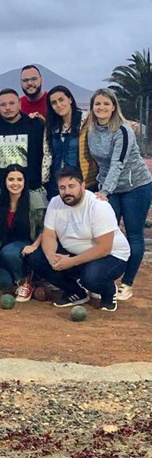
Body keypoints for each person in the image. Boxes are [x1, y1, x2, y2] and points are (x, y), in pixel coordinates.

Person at [26, 166, 129, 312]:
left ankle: (108, 291)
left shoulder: (99, 206)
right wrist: (51, 257)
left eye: (71, 186)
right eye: (62, 188)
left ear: (82, 185)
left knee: (91, 278)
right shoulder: (55, 203)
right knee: (36, 258)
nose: (67, 192)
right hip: (75, 254)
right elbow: (49, 235)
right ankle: (75, 292)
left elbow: (104, 248)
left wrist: (71, 262)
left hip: (111, 255)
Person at [84, 88, 152, 301]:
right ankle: (102, 279)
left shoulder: (123, 130)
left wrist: (104, 191)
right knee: (105, 233)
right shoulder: (91, 129)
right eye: (97, 104)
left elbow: (117, 164)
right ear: (92, 107)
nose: (101, 107)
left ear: (114, 107)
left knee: (133, 234)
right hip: (108, 186)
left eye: (106, 103)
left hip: (135, 187)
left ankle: (127, 283)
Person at [0, 88, 49, 202]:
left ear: (19, 104)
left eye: (11, 103)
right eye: (3, 104)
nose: (7, 108)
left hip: (31, 187)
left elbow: (45, 157)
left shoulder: (36, 127)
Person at [0, 165, 47, 302]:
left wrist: (34, 245)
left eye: (19, 179)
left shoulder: (36, 200)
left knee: (9, 252)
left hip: (28, 245)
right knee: (2, 281)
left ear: (25, 181)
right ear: (5, 181)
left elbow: (44, 228)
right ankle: (32, 281)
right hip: (2, 248)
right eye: (11, 179)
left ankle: (24, 282)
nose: (15, 183)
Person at [45, 85, 95, 200]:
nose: (59, 105)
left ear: (70, 99)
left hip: (80, 181)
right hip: (56, 183)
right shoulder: (51, 126)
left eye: (61, 100)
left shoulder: (86, 121)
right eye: (54, 103)